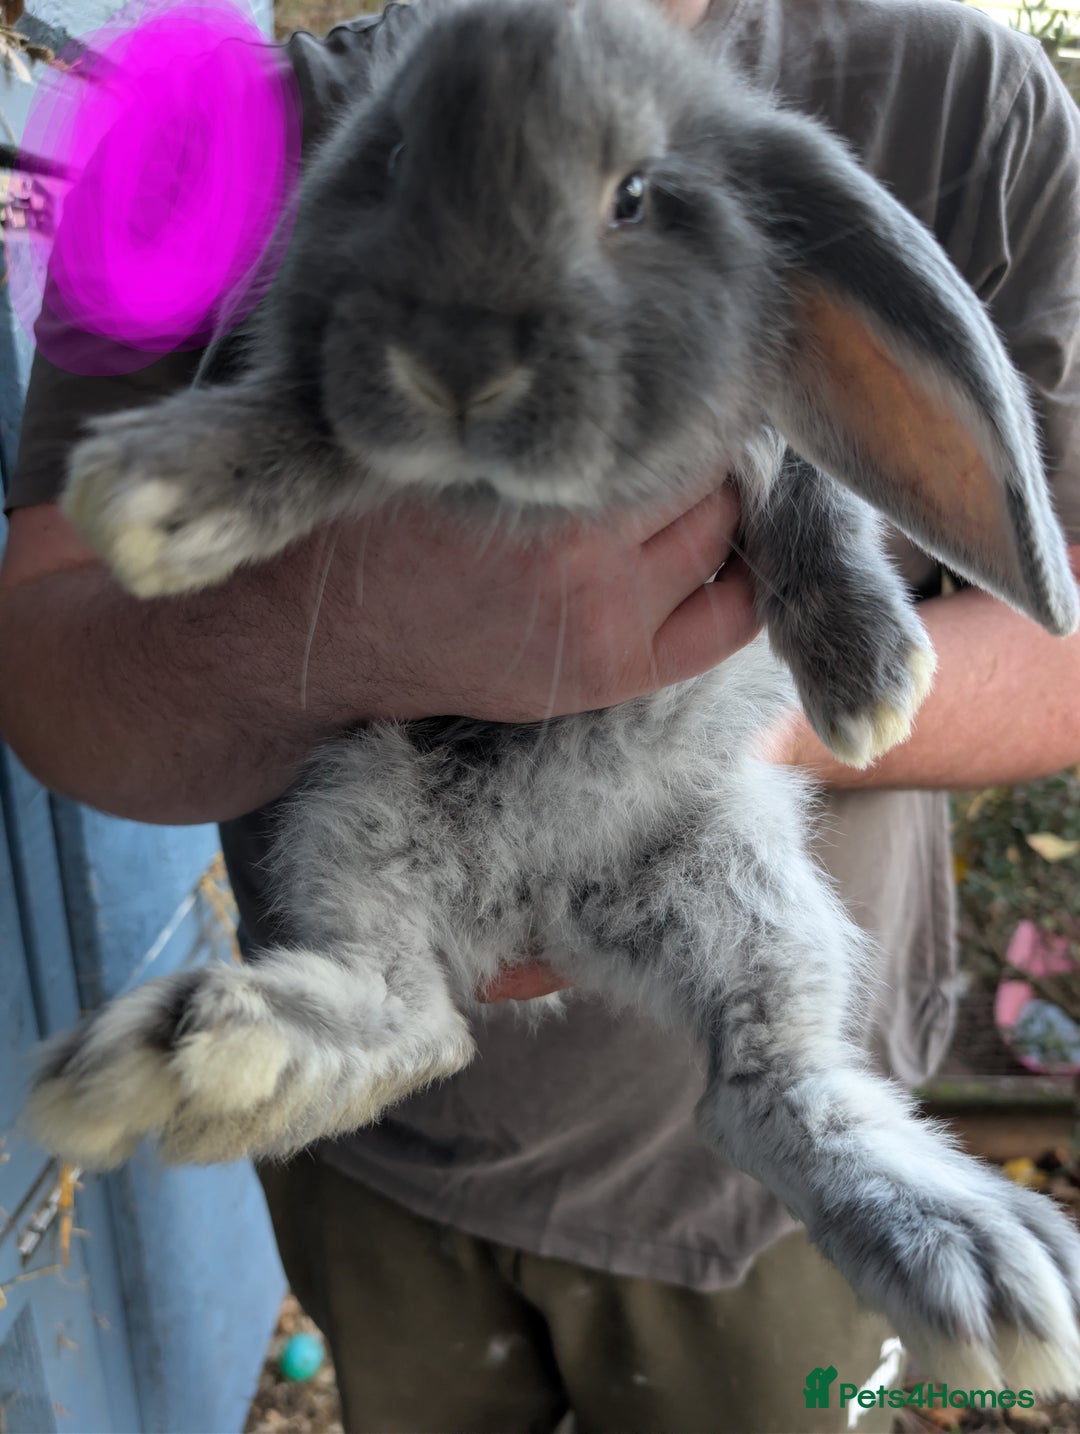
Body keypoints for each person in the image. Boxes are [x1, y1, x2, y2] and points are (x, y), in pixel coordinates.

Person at [3, 0, 1080, 1428]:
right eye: (389, 173)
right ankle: (376, 1005)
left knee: (741, 888)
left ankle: (806, 1114)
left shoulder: (961, 99)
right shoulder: (204, 131)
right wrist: (328, 601)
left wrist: (783, 638)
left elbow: (862, 484)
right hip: (378, 1165)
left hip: (727, 1225)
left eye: (623, 202)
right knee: (366, 816)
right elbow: (67, 642)